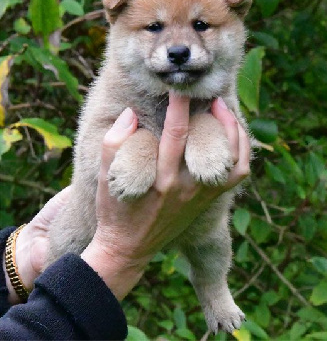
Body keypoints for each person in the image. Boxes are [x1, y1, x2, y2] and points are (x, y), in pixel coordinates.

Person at [0, 93, 250, 340]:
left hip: (201, 227)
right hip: (87, 227)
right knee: (65, 241)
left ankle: (214, 291)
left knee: (211, 245)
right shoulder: (120, 82)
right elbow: (95, 144)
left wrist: (19, 259)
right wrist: (118, 253)